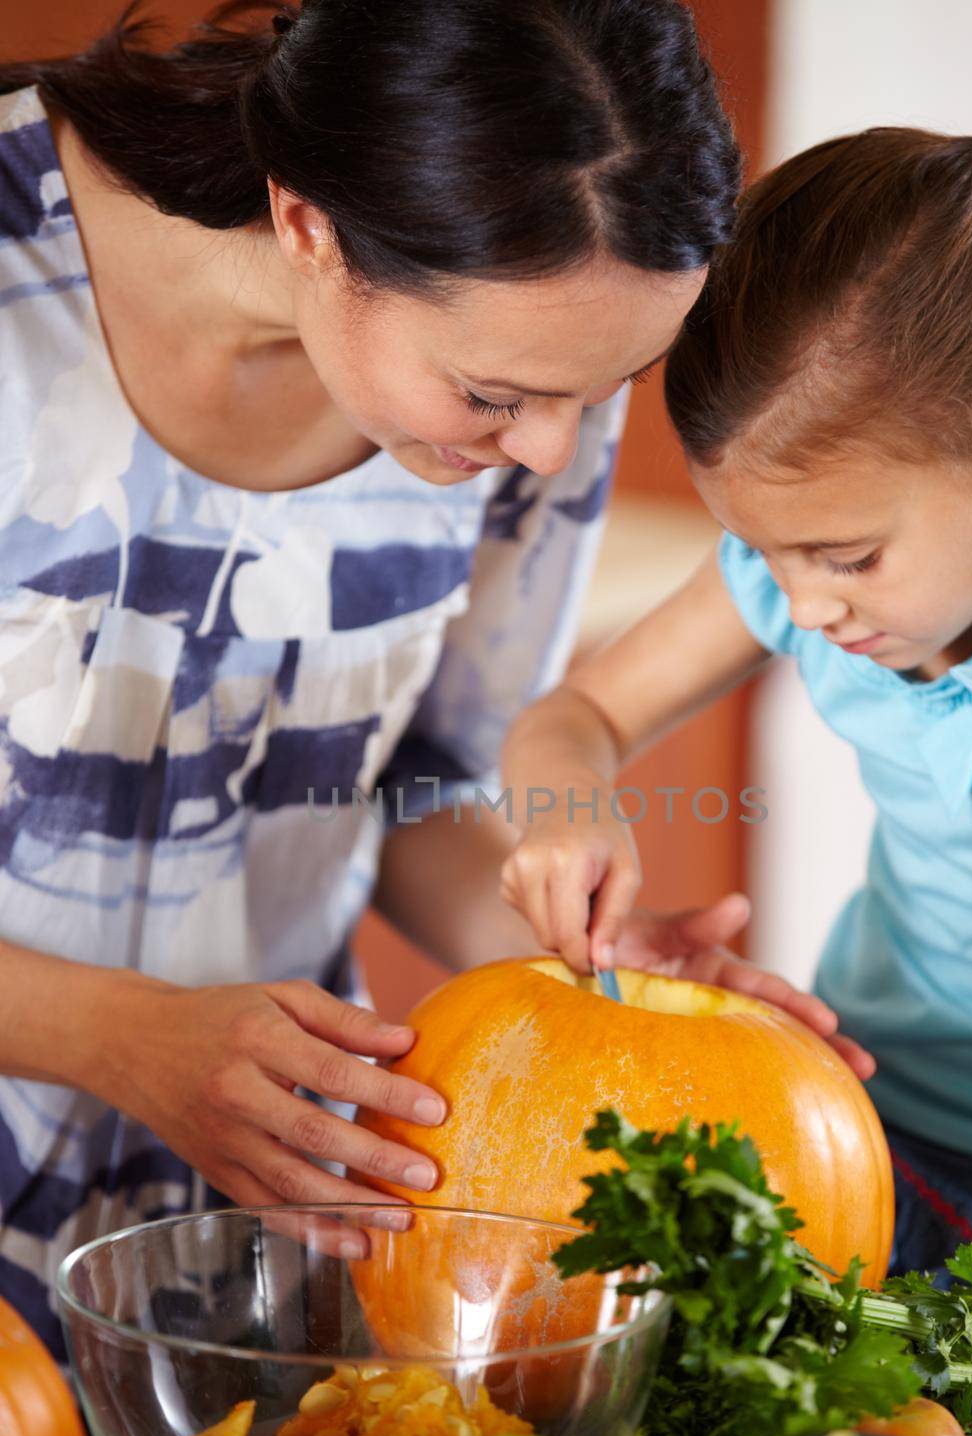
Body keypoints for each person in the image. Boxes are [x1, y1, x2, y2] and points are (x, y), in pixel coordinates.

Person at [0, 0, 842, 1361]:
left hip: (255, 1259)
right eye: (491, 395)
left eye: (607, 383)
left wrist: (568, 981)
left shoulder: (541, 335)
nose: (550, 453)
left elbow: (406, 779)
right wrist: (122, 1038)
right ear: (309, 230)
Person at [500, 80, 972, 1277]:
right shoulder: (815, 577)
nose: (800, 605)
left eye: (845, 556)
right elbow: (579, 714)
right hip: (859, 1123)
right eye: (762, 552)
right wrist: (567, 806)